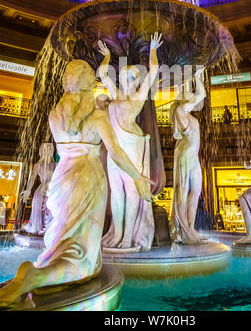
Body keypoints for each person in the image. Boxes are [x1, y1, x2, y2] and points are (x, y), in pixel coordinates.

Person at [0, 60, 153, 308]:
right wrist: (137, 177)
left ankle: (48, 266)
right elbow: (116, 153)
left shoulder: (54, 115)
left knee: (63, 236)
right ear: (89, 84)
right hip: (89, 179)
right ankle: (34, 277)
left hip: (63, 178)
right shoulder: (97, 117)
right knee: (83, 259)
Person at [97, 32, 163, 251]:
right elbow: (103, 74)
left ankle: (128, 237)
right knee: (116, 190)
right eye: (124, 76)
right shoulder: (115, 95)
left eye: (131, 77)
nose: (126, 80)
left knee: (132, 188)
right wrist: (106, 56)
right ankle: (117, 234)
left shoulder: (137, 97)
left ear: (136, 82)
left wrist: (153, 49)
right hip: (114, 146)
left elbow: (154, 71)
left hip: (131, 145)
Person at [169, 68, 207, 244]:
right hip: (185, 154)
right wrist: (195, 78)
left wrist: (197, 77)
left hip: (193, 157)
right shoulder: (180, 111)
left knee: (195, 191)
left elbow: (201, 94)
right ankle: (182, 229)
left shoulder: (188, 113)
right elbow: (201, 95)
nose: (190, 93)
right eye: (186, 91)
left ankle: (190, 228)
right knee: (183, 191)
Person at [21, 143, 56, 235]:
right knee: (39, 211)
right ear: (43, 150)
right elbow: (32, 178)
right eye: (48, 148)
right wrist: (28, 190)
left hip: (52, 190)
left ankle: (51, 230)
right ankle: (40, 229)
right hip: (41, 191)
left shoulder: (56, 165)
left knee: (52, 210)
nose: (50, 150)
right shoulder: (38, 165)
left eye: (51, 148)